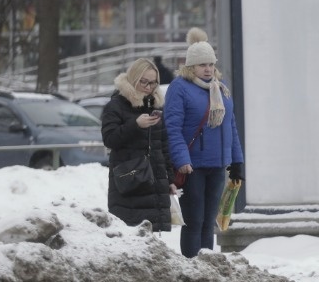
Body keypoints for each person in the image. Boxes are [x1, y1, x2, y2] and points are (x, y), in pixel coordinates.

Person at [164, 28, 244, 258]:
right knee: (194, 219)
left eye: (210, 64)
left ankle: (207, 266)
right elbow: (173, 128)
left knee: (209, 221)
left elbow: (231, 126)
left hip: (217, 164)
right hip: (192, 166)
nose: (208, 69)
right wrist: (181, 160)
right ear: (190, 67)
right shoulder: (180, 88)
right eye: (202, 65)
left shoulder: (220, 87)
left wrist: (236, 161)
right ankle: (191, 266)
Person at [101, 57, 176, 232]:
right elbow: (110, 139)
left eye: (154, 83)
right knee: (130, 233)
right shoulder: (116, 105)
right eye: (144, 82)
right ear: (134, 79)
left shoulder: (156, 106)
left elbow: (163, 146)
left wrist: (170, 180)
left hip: (154, 182)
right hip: (130, 181)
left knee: (152, 238)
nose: (149, 87)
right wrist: (135, 125)